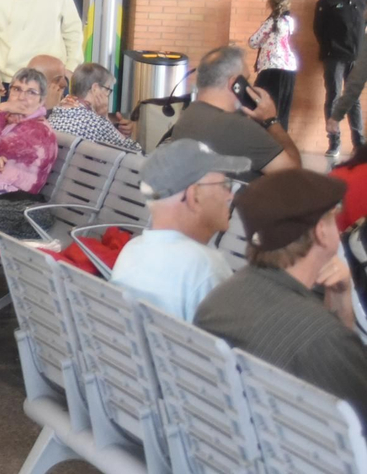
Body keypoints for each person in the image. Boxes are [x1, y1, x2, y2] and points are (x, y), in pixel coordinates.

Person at [195, 170, 367, 420]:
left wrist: (341, 301)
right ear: (320, 231)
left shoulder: (217, 303)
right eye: (333, 215)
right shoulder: (322, 339)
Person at [110, 140, 245, 321]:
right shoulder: (205, 269)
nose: (230, 196)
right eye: (224, 186)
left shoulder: (131, 251)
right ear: (194, 196)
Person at [0, 66, 60, 240]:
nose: (22, 97)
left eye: (31, 92)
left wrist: (1, 110)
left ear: (42, 100)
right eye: (17, 89)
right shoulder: (12, 121)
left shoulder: (38, 130)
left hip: (6, 200)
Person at [175, 45, 300, 176]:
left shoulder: (188, 114)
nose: (249, 85)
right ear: (235, 84)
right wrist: (271, 121)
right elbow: (292, 173)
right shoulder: (239, 127)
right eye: (246, 79)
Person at [316, 0, 367, 157]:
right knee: (334, 96)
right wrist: (330, 49)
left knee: (353, 98)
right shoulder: (327, 1)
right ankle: (334, 143)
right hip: (334, 57)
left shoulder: (364, 0)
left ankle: (359, 143)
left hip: (357, 58)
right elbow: (318, 30)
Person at [47, 62, 139, 152]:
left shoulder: (56, 111)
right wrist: (105, 118)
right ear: (95, 88)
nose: (108, 95)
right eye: (107, 89)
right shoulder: (95, 123)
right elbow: (136, 151)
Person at [249, 0, 298, 130]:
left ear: (270, 4)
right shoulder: (290, 21)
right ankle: (281, 140)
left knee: (261, 103)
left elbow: (252, 42)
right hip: (289, 68)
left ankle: (263, 139)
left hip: (270, 67)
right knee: (283, 108)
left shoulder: (270, 22)